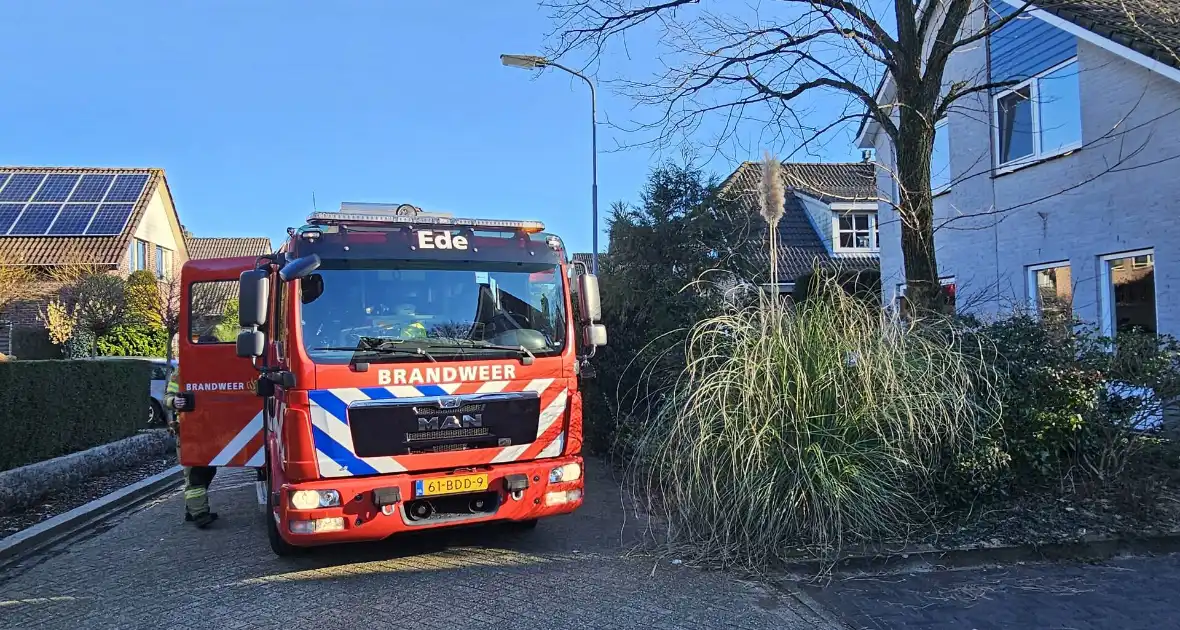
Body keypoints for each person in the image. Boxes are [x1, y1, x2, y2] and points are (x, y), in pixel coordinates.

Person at [165, 363, 219, 529]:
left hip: (211, 430)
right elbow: (168, 396)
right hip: (188, 430)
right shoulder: (182, 372)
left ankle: (192, 509)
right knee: (194, 473)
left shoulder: (218, 369)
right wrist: (174, 401)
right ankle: (200, 514)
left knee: (209, 469)